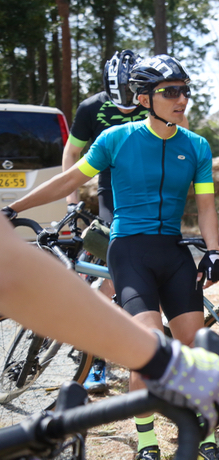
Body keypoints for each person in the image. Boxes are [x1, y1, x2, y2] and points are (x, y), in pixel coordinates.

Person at [2, 54, 219, 460]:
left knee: (194, 344)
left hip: (173, 250)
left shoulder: (196, 146)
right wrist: (14, 209)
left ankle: (203, 429)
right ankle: (146, 441)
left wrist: (212, 251)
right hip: (130, 250)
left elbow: (206, 206)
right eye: (170, 91)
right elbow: (68, 179)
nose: (182, 99)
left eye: (184, 91)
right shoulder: (115, 140)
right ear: (144, 99)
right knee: (148, 343)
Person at [0, 213, 219, 452]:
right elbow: (13, 276)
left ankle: (201, 430)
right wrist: (160, 359)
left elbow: (13, 276)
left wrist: (157, 358)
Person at [63, 49, 149, 394]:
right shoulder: (90, 108)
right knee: (109, 268)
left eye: (133, 100)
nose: (128, 108)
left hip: (150, 194)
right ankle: (95, 359)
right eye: (120, 102)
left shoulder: (153, 98)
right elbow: (72, 152)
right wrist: (71, 203)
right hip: (112, 194)